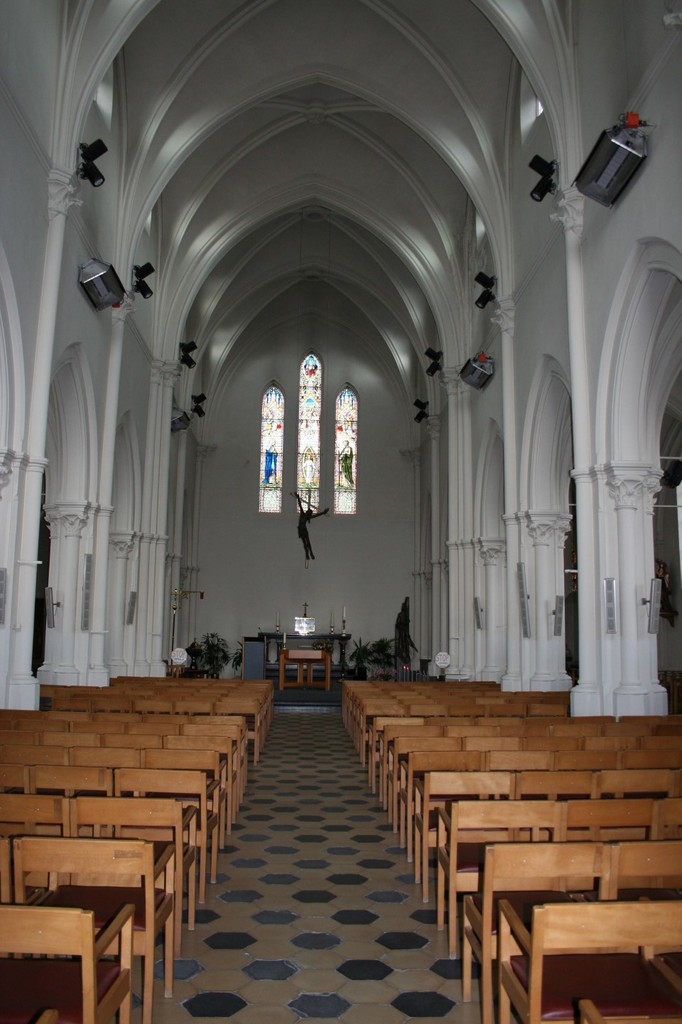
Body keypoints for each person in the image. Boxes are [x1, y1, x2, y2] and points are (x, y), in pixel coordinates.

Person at [292, 492, 329, 561]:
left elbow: (316, 515)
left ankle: (311, 553)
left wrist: (323, 513)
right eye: (308, 512)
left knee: (308, 543)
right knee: (305, 543)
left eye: (309, 513)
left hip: (304, 530)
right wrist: (298, 497)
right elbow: (300, 505)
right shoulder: (303, 514)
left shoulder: (306, 516)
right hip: (301, 530)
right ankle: (307, 554)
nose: (308, 513)